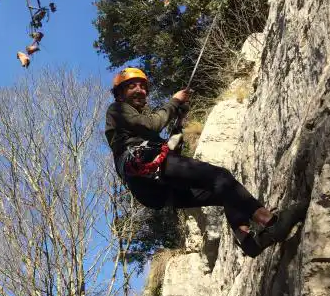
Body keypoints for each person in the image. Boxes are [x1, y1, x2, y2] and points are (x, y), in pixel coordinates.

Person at [104, 67, 306, 258]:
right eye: (132, 86)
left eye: (142, 86)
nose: (140, 90)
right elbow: (152, 124)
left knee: (225, 191)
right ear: (120, 94)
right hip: (146, 169)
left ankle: (249, 243)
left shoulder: (132, 129)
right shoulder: (117, 109)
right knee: (220, 176)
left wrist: (178, 123)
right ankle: (271, 223)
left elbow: (167, 150)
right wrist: (174, 102)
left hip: (154, 189)